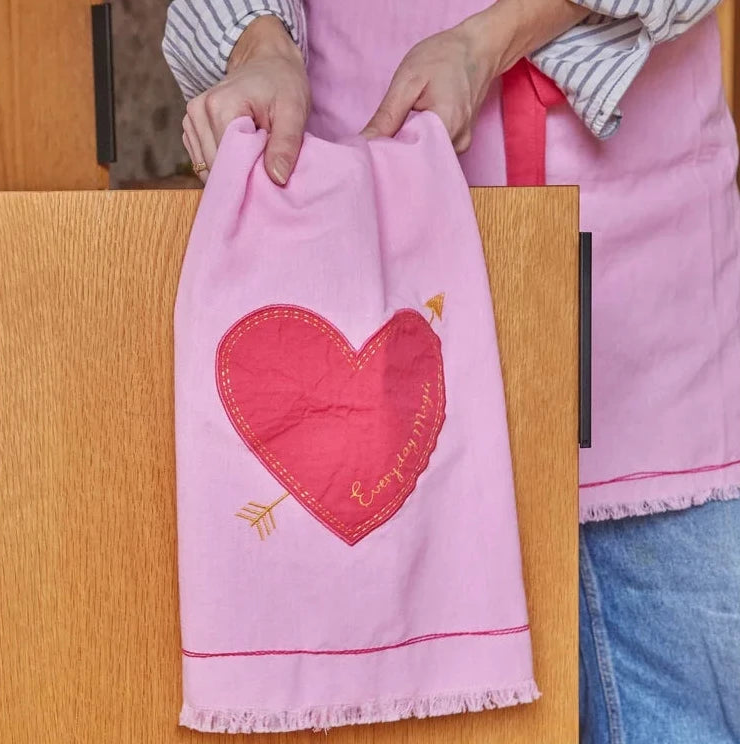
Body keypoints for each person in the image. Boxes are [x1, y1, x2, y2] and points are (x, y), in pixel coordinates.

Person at [162, 1, 740, 741]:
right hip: (370, 259)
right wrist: (260, 47)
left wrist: (484, 43)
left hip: (645, 266)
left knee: (686, 710)